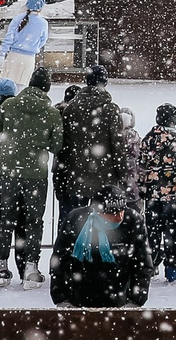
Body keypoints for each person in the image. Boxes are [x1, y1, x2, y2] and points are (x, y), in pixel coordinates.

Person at [0, 71, 62, 284]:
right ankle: (30, 268)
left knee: (5, 219)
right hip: (36, 174)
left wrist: (11, 146)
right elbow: (57, 146)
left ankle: (0, 266)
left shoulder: (8, 106)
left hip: (8, 172)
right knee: (34, 222)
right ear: (46, 88)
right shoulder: (51, 113)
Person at [55, 65, 134, 260]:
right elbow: (118, 146)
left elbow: (63, 146)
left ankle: (70, 259)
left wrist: (62, 173)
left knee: (74, 219)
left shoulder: (71, 108)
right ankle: (99, 259)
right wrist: (122, 176)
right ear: (104, 83)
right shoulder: (110, 109)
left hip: (76, 175)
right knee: (104, 221)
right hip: (104, 177)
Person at [138, 104, 176, 280]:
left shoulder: (148, 138)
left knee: (152, 230)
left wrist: (142, 186)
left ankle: (151, 263)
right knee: (171, 230)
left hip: (151, 192)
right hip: (171, 192)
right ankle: (171, 266)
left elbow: (141, 165)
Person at [0, 0, 50, 89]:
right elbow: (43, 40)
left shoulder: (18, 18)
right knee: (22, 87)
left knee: (6, 87)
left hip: (13, 56)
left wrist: (2, 55)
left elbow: (9, 37)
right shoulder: (43, 23)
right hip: (28, 58)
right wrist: (34, 46)